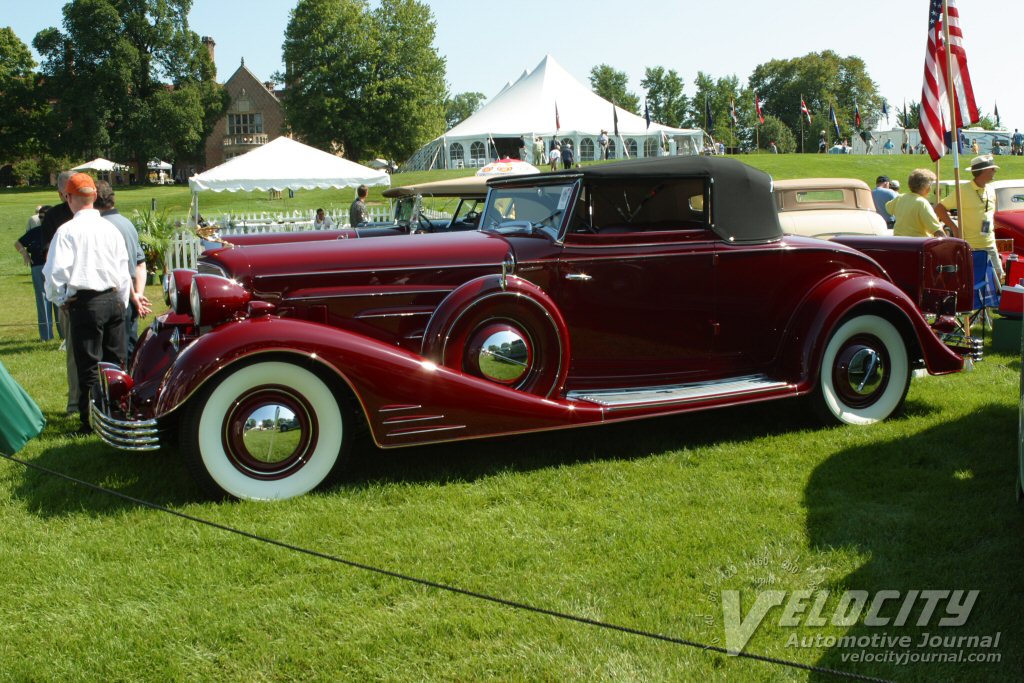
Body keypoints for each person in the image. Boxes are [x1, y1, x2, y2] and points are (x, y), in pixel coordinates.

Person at [42, 173, 130, 435]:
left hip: (86, 301)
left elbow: (54, 273)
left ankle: (90, 422)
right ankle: (118, 414)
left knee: (89, 366)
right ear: (93, 197)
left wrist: (59, 299)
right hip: (114, 298)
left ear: (69, 197)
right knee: (115, 363)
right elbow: (123, 269)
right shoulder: (110, 229)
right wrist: (122, 301)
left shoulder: (67, 231)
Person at [94, 180, 152, 359]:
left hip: (113, 296)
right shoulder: (127, 224)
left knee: (111, 356)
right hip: (132, 294)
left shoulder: (100, 228)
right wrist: (139, 294)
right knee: (130, 349)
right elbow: (140, 263)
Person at [40, 171, 79, 414]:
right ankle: (75, 402)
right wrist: (59, 296)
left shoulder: (90, 213)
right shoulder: (55, 217)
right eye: (65, 192)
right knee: (74, 351)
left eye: (72, 191)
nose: (68, 196)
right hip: (69, 291)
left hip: (96, 291)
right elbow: (49, 259)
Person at [935, 154, 1005, 281]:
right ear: (983, 171)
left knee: (998, 281)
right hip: (970, 246)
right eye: (992, 169)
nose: (995, 171)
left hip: (990, 245)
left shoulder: (991, 189)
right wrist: (953, 227)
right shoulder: (963, 190)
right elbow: (939, 208)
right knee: (973, 281)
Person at [15, 205, 62, 342]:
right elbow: (18, 243)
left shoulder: (58, 231)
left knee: (58, 299)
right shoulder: (35, 232)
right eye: (40, 217)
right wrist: (25, 254)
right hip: (38, 267)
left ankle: (63, 333)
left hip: (55, 268)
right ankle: (46, 336)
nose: (42, 220)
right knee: (42, 300)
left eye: (44, 217)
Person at [885, 169, 947, 238]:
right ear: (927, 187)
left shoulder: (900, 197)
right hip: (917, 244)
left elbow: (888, 208)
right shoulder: (922, 203)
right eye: (930, 185)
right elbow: (937, 230)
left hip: (899, 242)